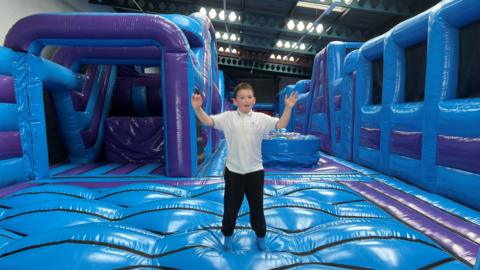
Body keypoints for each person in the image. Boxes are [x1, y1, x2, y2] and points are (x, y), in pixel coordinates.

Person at [191, 82, 298, 252]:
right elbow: (209, 121)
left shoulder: (261, 119)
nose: (246, 100)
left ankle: (261, 237)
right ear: (235, 101)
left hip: (255, 172)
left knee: (257, 208)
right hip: (234, 173)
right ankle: (227, 236)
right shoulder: (228, 117)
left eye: (249, 97)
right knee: (230, 208)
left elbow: (281, 124)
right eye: (242, 98)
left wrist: (288, 108)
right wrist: (197, 109)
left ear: (254, 100)